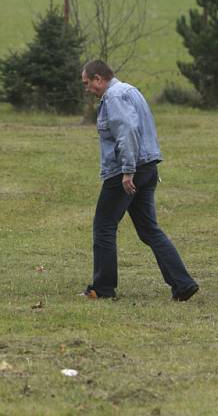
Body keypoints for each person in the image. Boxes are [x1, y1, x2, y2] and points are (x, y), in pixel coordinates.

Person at [80, 60, 199, 301]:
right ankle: (183, 284)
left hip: (127, 171)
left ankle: (102, 288)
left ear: (98, 79)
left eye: (87, 83)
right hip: (148, 167)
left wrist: (127, 171)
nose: (87, 89)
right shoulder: (131, 90)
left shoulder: (114, 97)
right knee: (148, 230)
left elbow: (127, 132)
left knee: (104, 226)